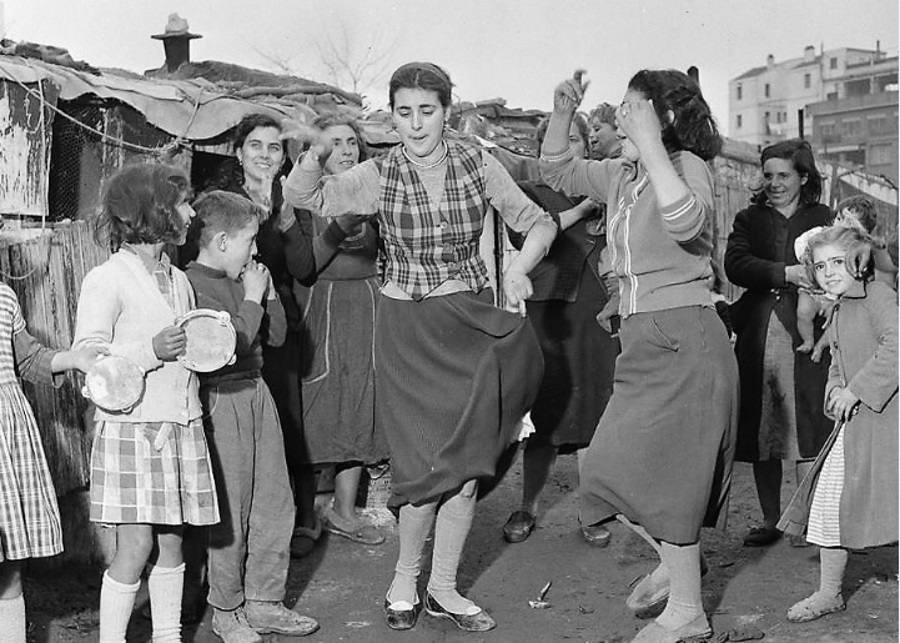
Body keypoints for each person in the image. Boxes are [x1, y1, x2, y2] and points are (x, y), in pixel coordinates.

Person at [283, 61, 556, 633]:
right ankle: (405, 579)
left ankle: (444, 589)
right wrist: (312, 149)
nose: (414, 124)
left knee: (467, 463)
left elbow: (539, 224)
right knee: (423, 464)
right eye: (403, 112)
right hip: (407, 328)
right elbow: (305, 195)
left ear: (446, 111)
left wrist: (520, 269)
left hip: (468, 322)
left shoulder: (478, 162)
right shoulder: (377, 174)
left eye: (426, 111)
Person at [540, 68, 737, 643]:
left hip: (684, 337)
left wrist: (651, 144)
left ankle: (687, 612)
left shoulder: (685, 168)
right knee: (603, 473)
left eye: (631, 107)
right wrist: (560, 112)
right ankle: (683, 574)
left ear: (661, 118)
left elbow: (686, 222)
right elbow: (558, 169)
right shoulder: (623, 174)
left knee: (669, 483)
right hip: (643, 338)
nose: (618, 116)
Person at [73, 163, 220, 643]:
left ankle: (167, 637)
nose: (191, 212)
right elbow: (90, 361)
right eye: (182, 203)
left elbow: (184, 350)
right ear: (152, 212)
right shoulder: (108, 278)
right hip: (133, 430)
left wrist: (208, 347)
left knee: (174, 540)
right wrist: (148, 352)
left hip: (179, 425)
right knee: (135, 545)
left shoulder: (178, 279)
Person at [184, 191, 318, 642]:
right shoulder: (192, 285)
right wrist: (254, 296)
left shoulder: (245, 277)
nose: (254, 253)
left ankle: (264, 600)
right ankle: (226, 607)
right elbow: (226, 348)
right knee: (232, 507)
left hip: (257, 393)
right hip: (221, 399)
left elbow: (277, 337)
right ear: (221, 241)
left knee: (274, 500)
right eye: (248, 242)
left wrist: (265, 294)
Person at [501, 114, 619, 547]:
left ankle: (592, 510)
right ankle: (527, 505)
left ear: (587, 148)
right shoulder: (530, 193)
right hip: (547, 312)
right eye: (558, 141)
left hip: (595, 311)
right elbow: (531, 235)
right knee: (544, 412)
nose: (567, 147)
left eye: (575, 140)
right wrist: (583, 211)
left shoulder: (605, 189)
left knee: (595, 408)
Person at [778, 225, 897, 622]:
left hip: (887, 424)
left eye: (836, 262)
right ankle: (829, 592)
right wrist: (835, 389)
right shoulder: (841, 306)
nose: (828, 271)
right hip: (855, 425)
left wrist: (857, 390)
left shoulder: (877, 296)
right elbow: (839, 360)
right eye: (820, 265)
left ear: (859, 260)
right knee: (829, 505)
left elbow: (897, 344)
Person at [725, 139, 833, 548]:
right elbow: (735, 265)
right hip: (759, 332)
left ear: (803, 177)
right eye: (768, 175)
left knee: (808, 424)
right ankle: (772, 519)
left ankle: (805, 518)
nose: (774, 183)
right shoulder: (749, 218)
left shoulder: (823, 218)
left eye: (783, 175)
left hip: (809, 332)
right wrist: (784, 272)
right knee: (764, 431)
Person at [287, 113, 389, 547]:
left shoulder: (375, 195)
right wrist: (340, 225)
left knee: (358, 402)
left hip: (366, 306)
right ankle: (307, 516)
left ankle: (345, 513)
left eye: (351, 142)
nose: (346, 150)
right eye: (335, 143)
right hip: (319, 307)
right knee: (318, 405)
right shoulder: (303, 199)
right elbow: (304, 266)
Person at [0, 286, 104, 643]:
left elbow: (27, 359)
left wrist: (74, 359)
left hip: (6, 436)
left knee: (9, 564)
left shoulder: (5, 297)